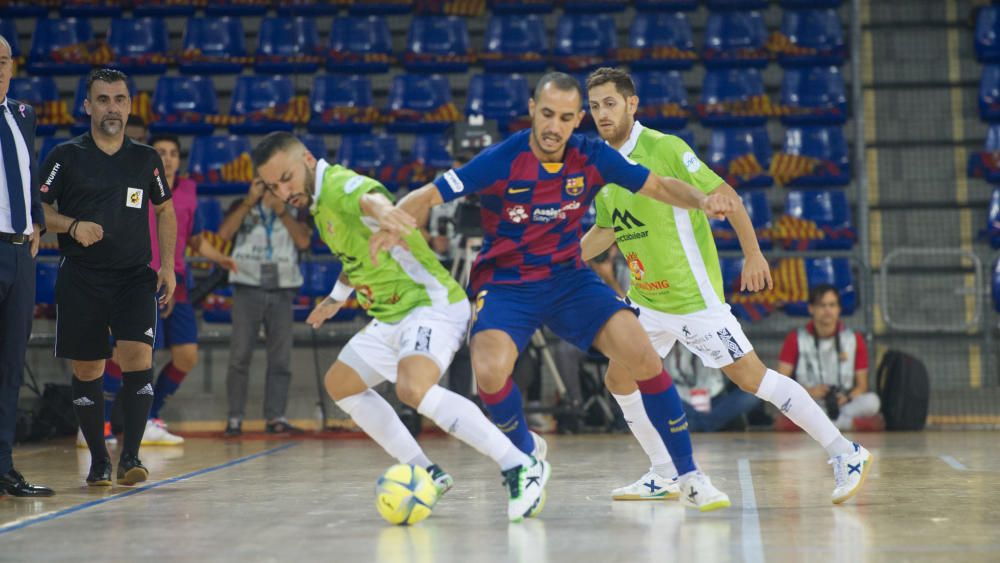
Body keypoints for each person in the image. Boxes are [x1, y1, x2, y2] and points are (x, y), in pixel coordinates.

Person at [374, 72, 737, 511]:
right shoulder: (502, 159)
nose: (554, 126)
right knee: (488, 369)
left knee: (641, 352)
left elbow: (658, 186)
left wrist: (703, 200)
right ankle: (526, 458)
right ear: (532, 110)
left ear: (577, 119)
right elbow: (430, 194)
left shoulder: (592, 155)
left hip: (568, 278)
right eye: (546, 114)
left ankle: (689, 475)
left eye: (566, 118)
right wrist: (394, 221)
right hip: (507, 281)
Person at [580, 67, 872, 504]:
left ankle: (845, 452)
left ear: (631, 104)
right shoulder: (602, 165)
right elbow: (606, 230)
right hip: (646, 300)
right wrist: (554, 256)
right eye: (595, 106)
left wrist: (754, 253)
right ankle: (663, 472)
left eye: (610, 103)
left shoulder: (664, 149)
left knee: (753, 378)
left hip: (693, 299)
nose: (602, 113)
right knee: (619, 379)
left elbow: (727, 196)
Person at [253, 132, 549, 522]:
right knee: (341, 384)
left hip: (432, 304)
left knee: (413, 388)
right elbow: (353, 256)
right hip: (393, 314)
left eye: (286, 178)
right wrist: (336, 298)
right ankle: (427, 471)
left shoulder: (339, 186)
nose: (283, 191)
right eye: (274, 186)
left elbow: (367, 197)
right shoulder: (317, 204)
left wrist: (386, 212)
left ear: (308, 159)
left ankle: (520, 465)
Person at [40, 68, 177, 487]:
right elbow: (37, 212)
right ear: (87, 106)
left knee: (139, 358)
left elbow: (164, 210)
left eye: (119, 99)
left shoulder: (146, 159)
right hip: (82, 276)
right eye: (103, 99)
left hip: (135, 277)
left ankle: (131, 457)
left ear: (129, 105)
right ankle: (100, 460)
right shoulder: (64, 156)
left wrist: (167, 265)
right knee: (88, 368)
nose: (112, 107)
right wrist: (73, 225)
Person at [96, 134, 238, 446]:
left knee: (186, 356)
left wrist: (221, 258)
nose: (169, 158)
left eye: (174, 153)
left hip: (176, 282)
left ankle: (152, 415)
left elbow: (196, 239)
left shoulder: (188, 191)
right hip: (139, 279)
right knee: (128, 355)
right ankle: (100, 423)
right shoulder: (135, 187)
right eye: (161, 152)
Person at [216, 168, 312, 436]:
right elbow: (223, 235)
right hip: (247, 287)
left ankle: (276, 417)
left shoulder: (294, 207)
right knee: (239, 356)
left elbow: (304, 241)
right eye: (264, 183)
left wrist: (281, 211)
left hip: (283, 288)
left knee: (281, 358)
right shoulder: (241, 204)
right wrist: (249, 201)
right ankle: (234, 418)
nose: (269, 189)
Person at [0, 34, 53, 498]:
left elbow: (29, 172)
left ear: (13, 67)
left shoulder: (22, 114)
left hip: (20, 251)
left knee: (12, 364)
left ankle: (3, 466)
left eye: (2, 61)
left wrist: (37, 221)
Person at [778, 284, 881, 431]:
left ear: (839, 309)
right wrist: (811, 391)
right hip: (810, 401)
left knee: (873, 402)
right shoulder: (795, 338)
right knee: (788, 404)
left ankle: (820, 426)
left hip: (843, 404)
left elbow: (862, 386)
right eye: (822, 305)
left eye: (832, 305)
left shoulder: (854, 338)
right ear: (811, 308)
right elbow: (782, 381)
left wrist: (847, 397)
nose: (827, 310)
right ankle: (845, 424)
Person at [666, 345, 761, 432]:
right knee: (665, 401)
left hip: (714, 398)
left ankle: (698, 424)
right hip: (682, 400)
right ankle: (706, 423)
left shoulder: (712, 339)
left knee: (753, 393)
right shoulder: (667, 343)